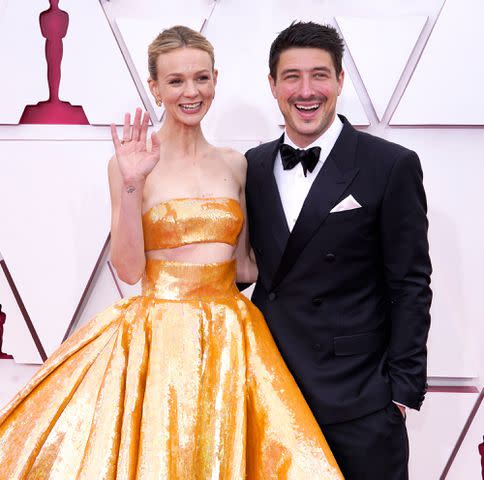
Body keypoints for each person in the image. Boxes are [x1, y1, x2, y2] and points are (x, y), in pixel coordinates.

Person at [0, 26, 344, 479]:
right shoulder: (130, 162)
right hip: (158, 336)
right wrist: (131, 182)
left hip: (232, 337)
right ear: (155, 87)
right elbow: (127, 268)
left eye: (201, 78)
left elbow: (243, 264)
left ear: (215, 80)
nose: (191, 91)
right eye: (177, 81)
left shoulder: (236, 163)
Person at [245, 21, 432, 479]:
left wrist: (400, 393)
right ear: (272, 85)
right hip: (273, 391)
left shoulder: (390, 165)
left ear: (340, 80)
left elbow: (410, 283)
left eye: (319, 75)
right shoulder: (249, 165)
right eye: (291, 76)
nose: (306, 90)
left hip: (360, 400)